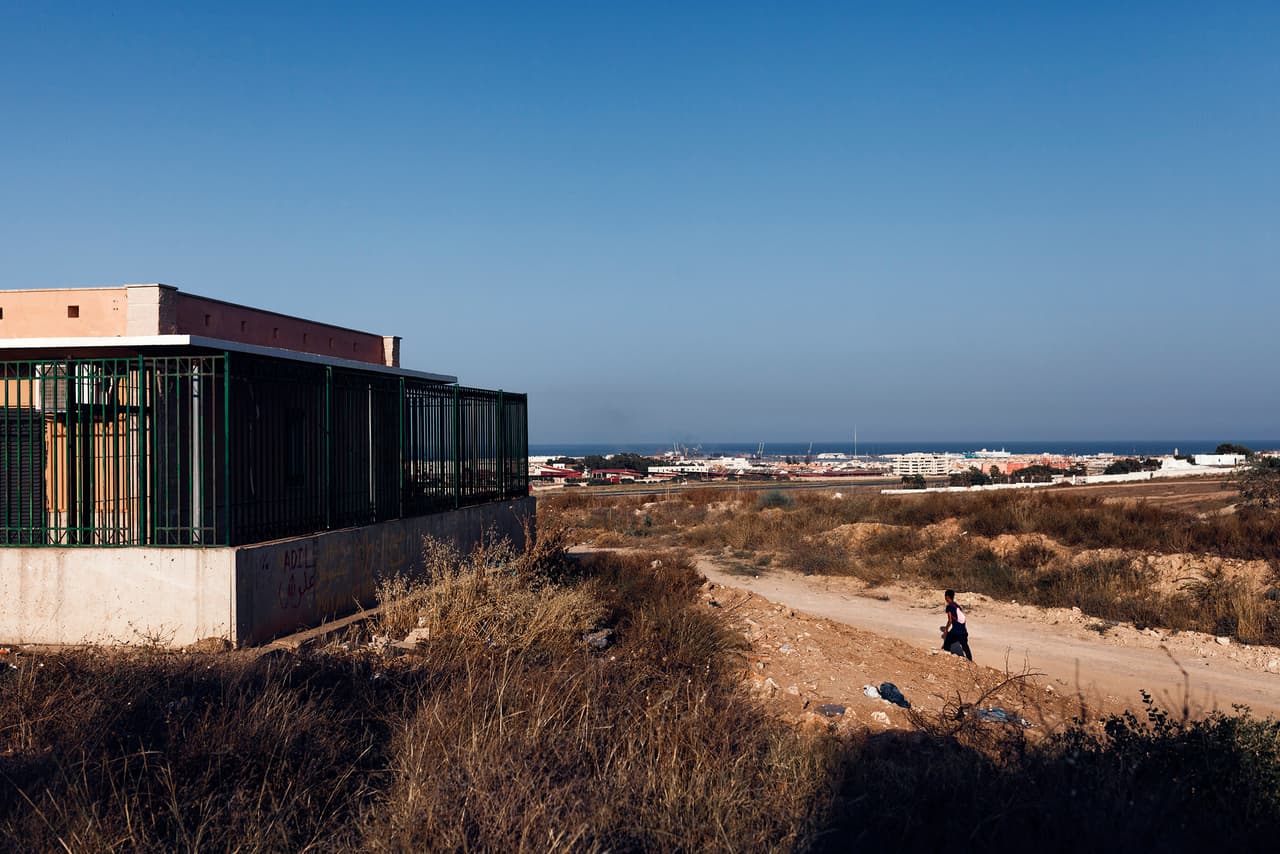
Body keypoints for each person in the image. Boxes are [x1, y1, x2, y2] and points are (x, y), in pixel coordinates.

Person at [940, 589, 973, 661]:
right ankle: (970, 661)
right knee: (965, 647)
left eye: (945, 597)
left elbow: (950, 620)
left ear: (947, 597)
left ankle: (946, 657)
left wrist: (946, 629)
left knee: (947, 642)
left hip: (956, 631)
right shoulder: (957, 606)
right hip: (963, 631)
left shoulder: (949, 607)